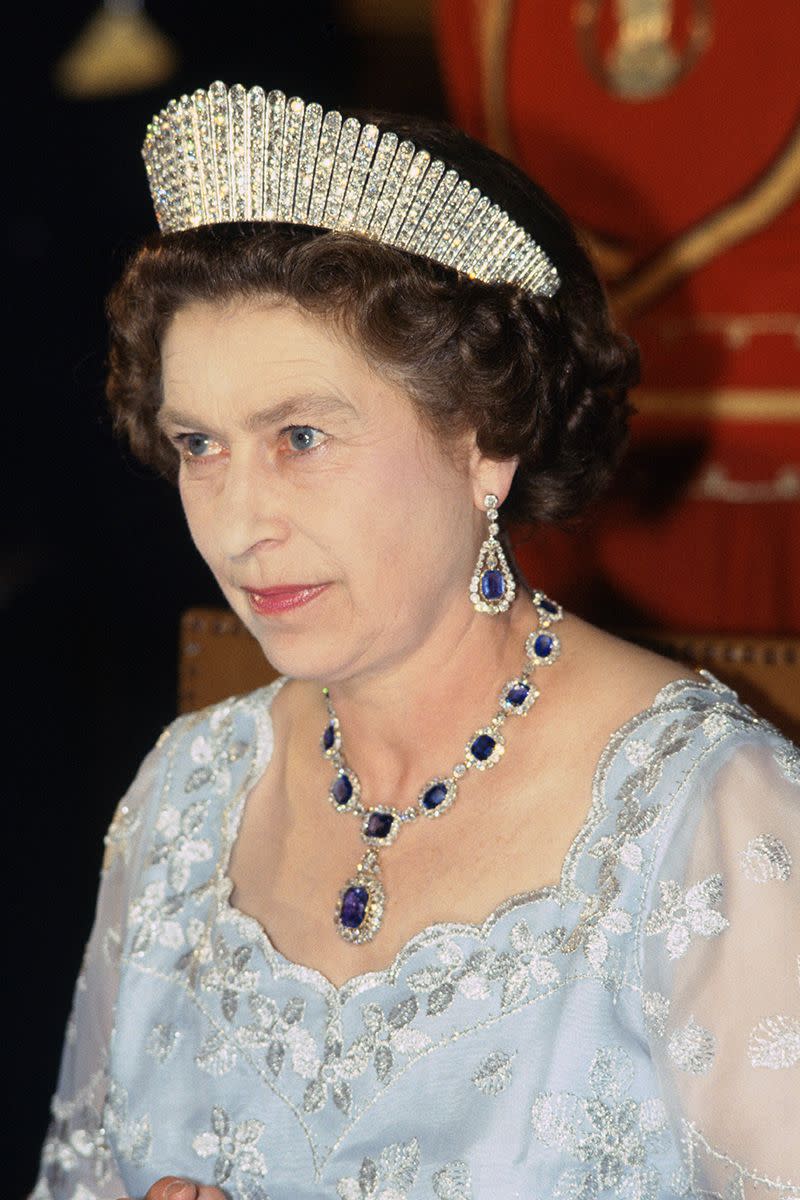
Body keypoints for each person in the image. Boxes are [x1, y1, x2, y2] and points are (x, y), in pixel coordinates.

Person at [31, 81, 799, 1200]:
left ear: (481, 439)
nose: (241, 523)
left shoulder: (708, 820)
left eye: (299, 435)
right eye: (199, 444)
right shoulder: (184, 794)